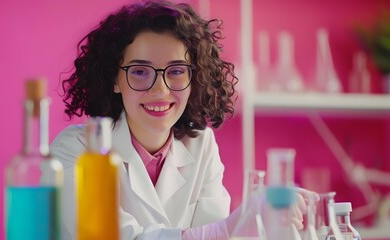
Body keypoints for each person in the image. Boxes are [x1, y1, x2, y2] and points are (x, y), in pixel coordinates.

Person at [50, 1, 310, 239]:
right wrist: (234, 224)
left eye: (176, 71)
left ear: (193, 79)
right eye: (140, 71)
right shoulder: (75, 151)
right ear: (115, 79)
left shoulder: (201, 144)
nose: (160, 89)